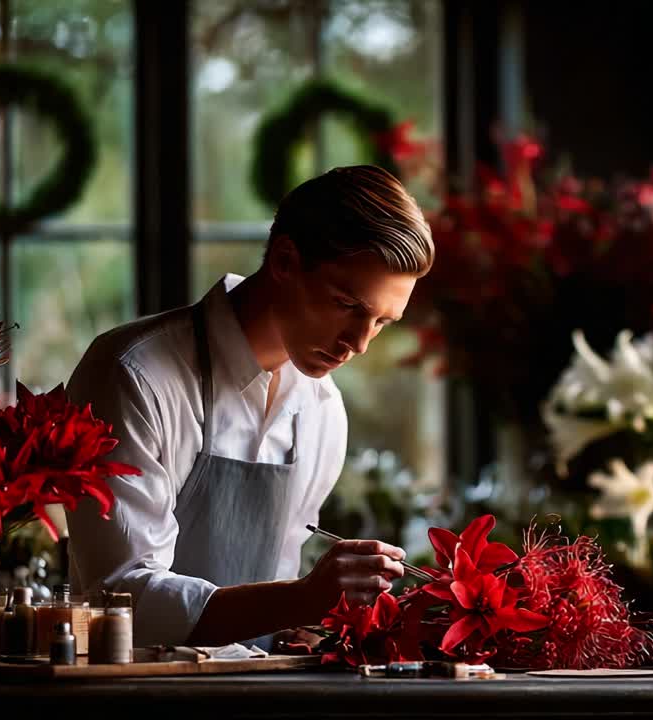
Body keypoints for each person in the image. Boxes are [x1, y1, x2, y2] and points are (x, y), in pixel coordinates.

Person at [65, 165, 433, 648]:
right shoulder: (135, 374)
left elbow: (277, 591)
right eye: (347, 305)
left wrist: (304, 629)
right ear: (284, 261)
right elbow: (119, 597)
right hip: (135, 689)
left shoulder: (322, 410)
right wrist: (304, 598)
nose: (359, 343)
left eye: (382, 322)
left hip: (258, 688)